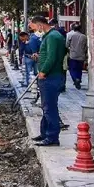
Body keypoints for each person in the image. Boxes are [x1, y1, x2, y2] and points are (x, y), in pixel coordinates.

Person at [32, 15, 67, 146]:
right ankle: (44, 133)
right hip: (51, 76)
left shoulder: (52, 37)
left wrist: (43, 71)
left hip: (51, 77)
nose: (35, 30)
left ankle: (52, 137)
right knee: (46, 106)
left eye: (35, 27)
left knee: (49, 107)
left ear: (40, 25)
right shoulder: (50, 36)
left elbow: (52, 57)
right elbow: (49, 54)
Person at [66, 23, 87, 90]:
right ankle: (78, 79)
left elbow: (66, 45)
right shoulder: (84, 36)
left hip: (73, 55)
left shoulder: (70, 35)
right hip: (81, 56)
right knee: (79, 69)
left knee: (72, 69)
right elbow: (85, 47)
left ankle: (75, 79)